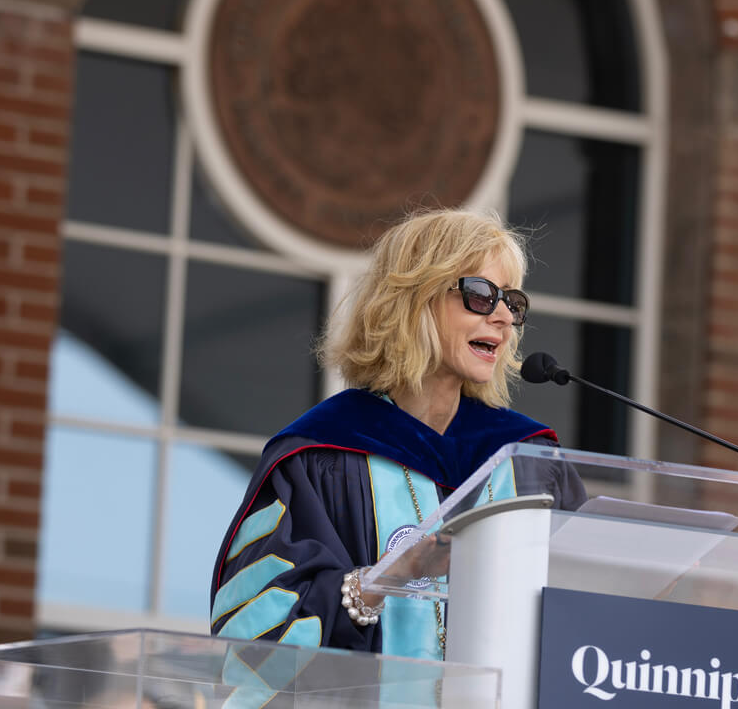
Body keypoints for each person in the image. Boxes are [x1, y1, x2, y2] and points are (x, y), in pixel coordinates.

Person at [208, 209, 587, 659]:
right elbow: (254, 633)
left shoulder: (529, 463)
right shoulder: (324, 455)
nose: (504, 317)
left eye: (513, 302)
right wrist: (381, 580)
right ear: (415, 299)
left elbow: (589, 616)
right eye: (482, 295)